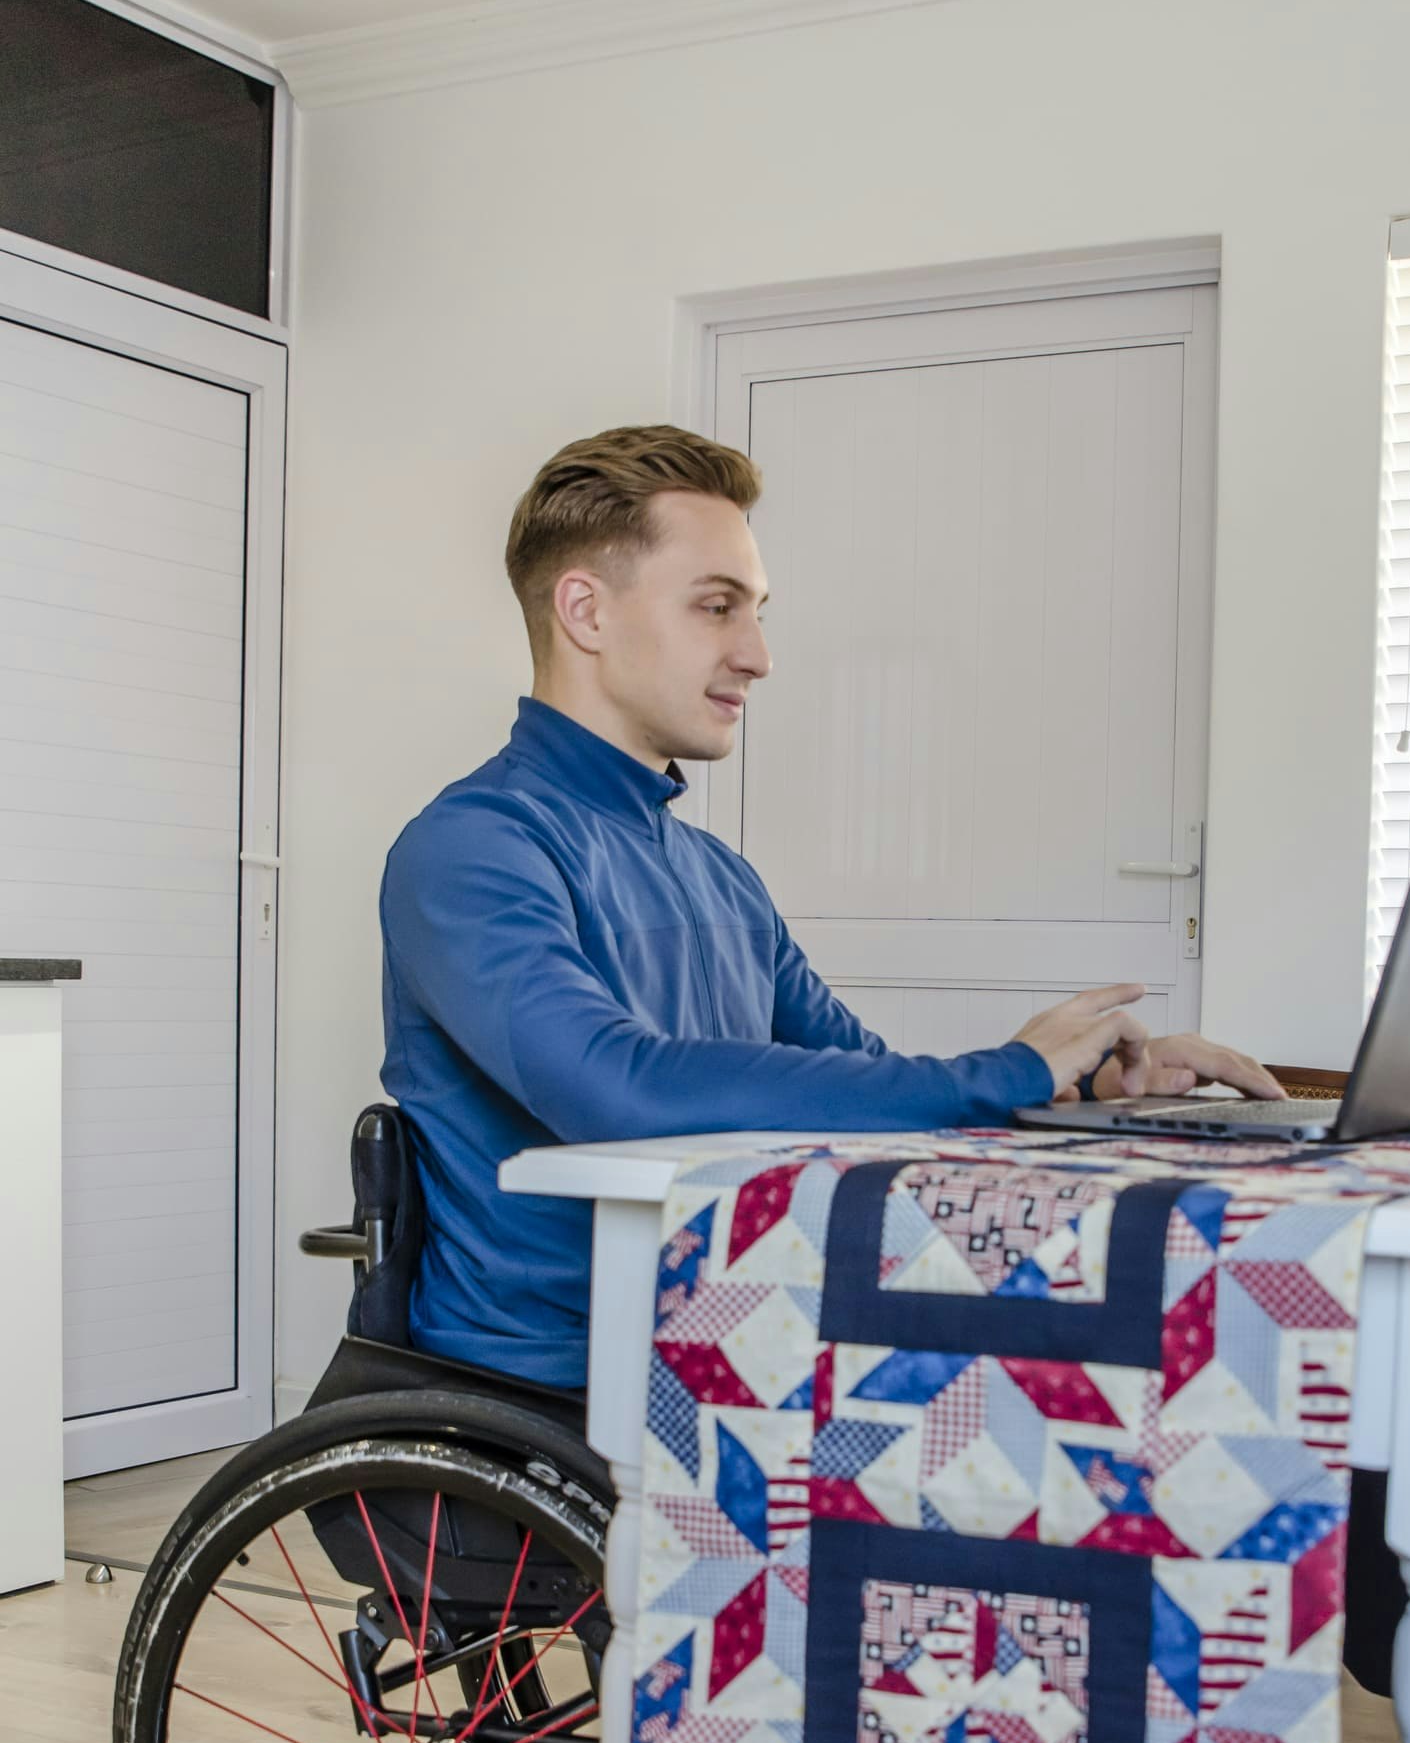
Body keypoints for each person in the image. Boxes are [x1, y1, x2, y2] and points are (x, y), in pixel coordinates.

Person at [380, 425, 1284, 1391]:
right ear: (585, 611)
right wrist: (1005, 1071)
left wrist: (1076, 1088)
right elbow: (614, 1089)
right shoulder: (471, 849)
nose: (758, 655)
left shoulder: (719, 875)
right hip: (560, 1375)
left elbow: (871, 1089)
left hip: (742, 1332)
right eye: (716, 607)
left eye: (756, 612)